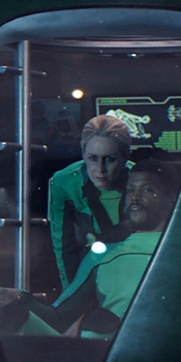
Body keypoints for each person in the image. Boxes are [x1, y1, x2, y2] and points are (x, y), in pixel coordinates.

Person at [0, 159, 178, 340]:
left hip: (166, 346)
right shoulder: (105, 254)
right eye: (131, 190)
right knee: (12, 316)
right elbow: (61, 317)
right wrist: (21, 298)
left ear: (171, 199)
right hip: (106, 351)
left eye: (147, 190)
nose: (135, 198)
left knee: (99, 321)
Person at [48, 115, 133, 289]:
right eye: (93, 158)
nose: (100, 169)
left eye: (110, 159)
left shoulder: (141, 180)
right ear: (84, 155)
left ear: (124, 158)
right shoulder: (64, 182)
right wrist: (71, 295)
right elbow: (63, 247)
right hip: (90, 266)